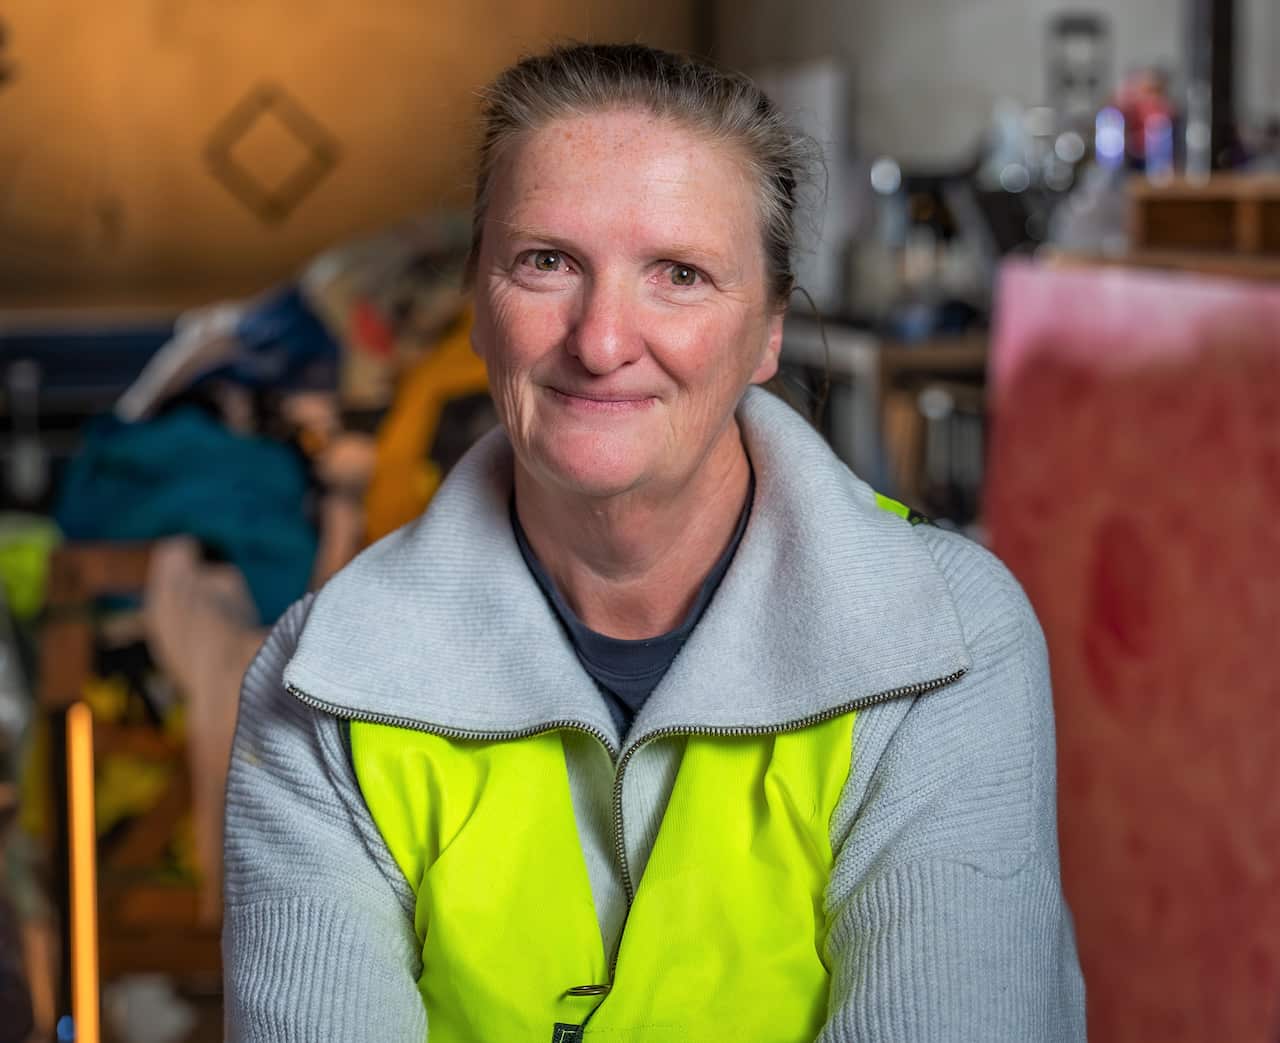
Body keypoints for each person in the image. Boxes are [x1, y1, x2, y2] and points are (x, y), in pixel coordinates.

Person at [223, 42, 1086, 1041]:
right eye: (545, 262)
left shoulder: (946, 644)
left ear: (766, 330)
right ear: (476, 303)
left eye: (678, 274)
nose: (598, 340)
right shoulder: (323, 682)